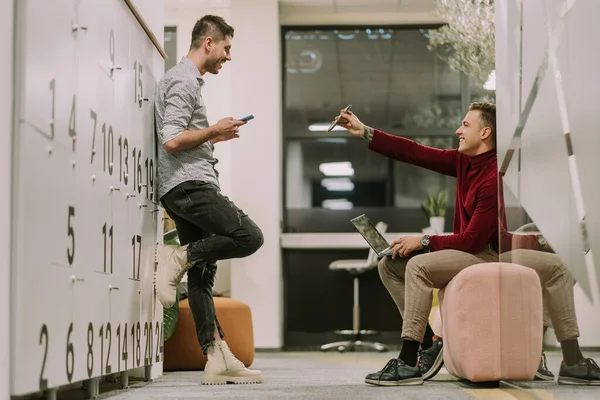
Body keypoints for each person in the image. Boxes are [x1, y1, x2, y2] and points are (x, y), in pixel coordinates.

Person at [336, 102, 600, 386]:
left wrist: (423, 241)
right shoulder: (462, 161)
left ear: (485, 132)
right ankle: (429, 342)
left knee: (420, 266)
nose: (457, 130)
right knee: (390, 264)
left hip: (483, 253)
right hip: (472, 250)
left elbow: (474, 240)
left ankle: (408, 361)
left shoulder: (493, 176)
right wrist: (364, 131)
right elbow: (413, 151)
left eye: (465, 125)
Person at [153, 15, 264, 385]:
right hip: (189, 187)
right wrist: (213, 129)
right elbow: (170, 140)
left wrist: (213, 138)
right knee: (249, 236)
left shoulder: (186, 82)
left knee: (201, 276)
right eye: (227, 48)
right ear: (209, 43)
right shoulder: (183, 81)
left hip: (183, 184)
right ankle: (178, 257)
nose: (228, 57)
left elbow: (180, 139)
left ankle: (216, 356)